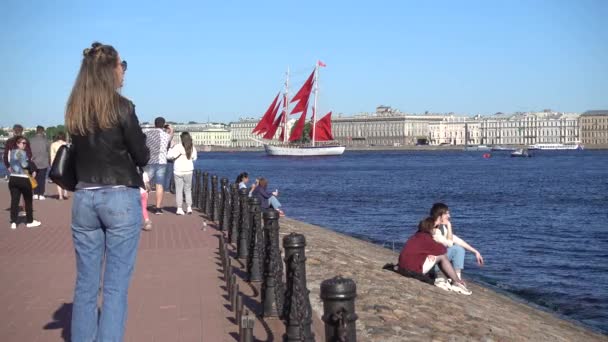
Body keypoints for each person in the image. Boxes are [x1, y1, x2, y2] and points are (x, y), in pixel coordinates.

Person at [66, 41, 149, 341]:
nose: (123, 71)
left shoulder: (75, 109)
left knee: (86, 285)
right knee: (115, 289)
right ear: (110, 70)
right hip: (119, 197)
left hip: (84, 198)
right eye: (121, 65)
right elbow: (142, 156)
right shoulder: (123, 108)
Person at [398, 217, 471, 295]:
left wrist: (429, 253)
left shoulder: (416, 236)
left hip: (402, 267)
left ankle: (455, 281)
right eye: (436, 227)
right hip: (413, 270)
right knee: (442, 256)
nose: (437, 229)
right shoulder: (428, 239)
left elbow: (419, 251)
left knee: (438, 255)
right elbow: (443, 250)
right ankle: (457, 282)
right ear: (431, 228)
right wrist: (436, 241)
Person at [430, 203, 484, 287]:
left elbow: (458, 240)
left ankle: (457, 278)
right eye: (447, 213)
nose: (449, 216)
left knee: (458, 247)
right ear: (440, 215)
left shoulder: (442, 228)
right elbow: (450, 244)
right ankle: (457, 281)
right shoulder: (434, 229)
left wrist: (475, 252)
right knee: (457, 249)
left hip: (437, 262)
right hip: (430, 264)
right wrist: (449, 225)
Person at [7, 136, 42, 229]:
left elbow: (10, 163)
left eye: (25, 143)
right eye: (23, 143)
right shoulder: (22, 152)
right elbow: (24, 165)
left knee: (14, 200)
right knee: (28, 200)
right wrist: (30, 163)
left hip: (13, 178)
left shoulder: (12, 152)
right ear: (17, 143)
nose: (24, 145)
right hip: (23, 179)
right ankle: (29, 221)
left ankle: (13, 221)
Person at [144, 117, 174, 214]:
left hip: (149, 161)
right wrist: (171, 129)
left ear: (154, 123)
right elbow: (170, 137)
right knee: (159, 185)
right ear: (163, 124)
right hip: (162, 162)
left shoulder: (147, 133)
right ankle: (158, 208)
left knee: (146, 184)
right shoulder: (166, 135)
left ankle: (143, 206)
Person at [167, 132, 197, 215]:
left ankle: (179, 209)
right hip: (188, 171)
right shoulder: (192, 147)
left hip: (178, 171)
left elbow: (169, 156)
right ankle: (189, 208)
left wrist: (170, 148)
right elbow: (194, 158)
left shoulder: (177, 147)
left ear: (181, 138)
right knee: (188, 190)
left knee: (179, 190)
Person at [29, 125, 51, 200]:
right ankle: (41, 194)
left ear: (36, 131)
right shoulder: (46, 141)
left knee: (34, 178)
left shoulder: (31, 140)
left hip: (33, 162)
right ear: (43, 131)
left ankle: (35, 193)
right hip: (43, 162)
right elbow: (49, 151)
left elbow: (29, 152)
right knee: (42, 179)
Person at [50, 132, 69, 200]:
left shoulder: (53, 144)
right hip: (66, 163)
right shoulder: (67, 144)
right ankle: (65, 192)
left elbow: (52, 156)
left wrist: (52, 165)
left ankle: (60, 195)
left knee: (58, 180)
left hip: (57, 163)